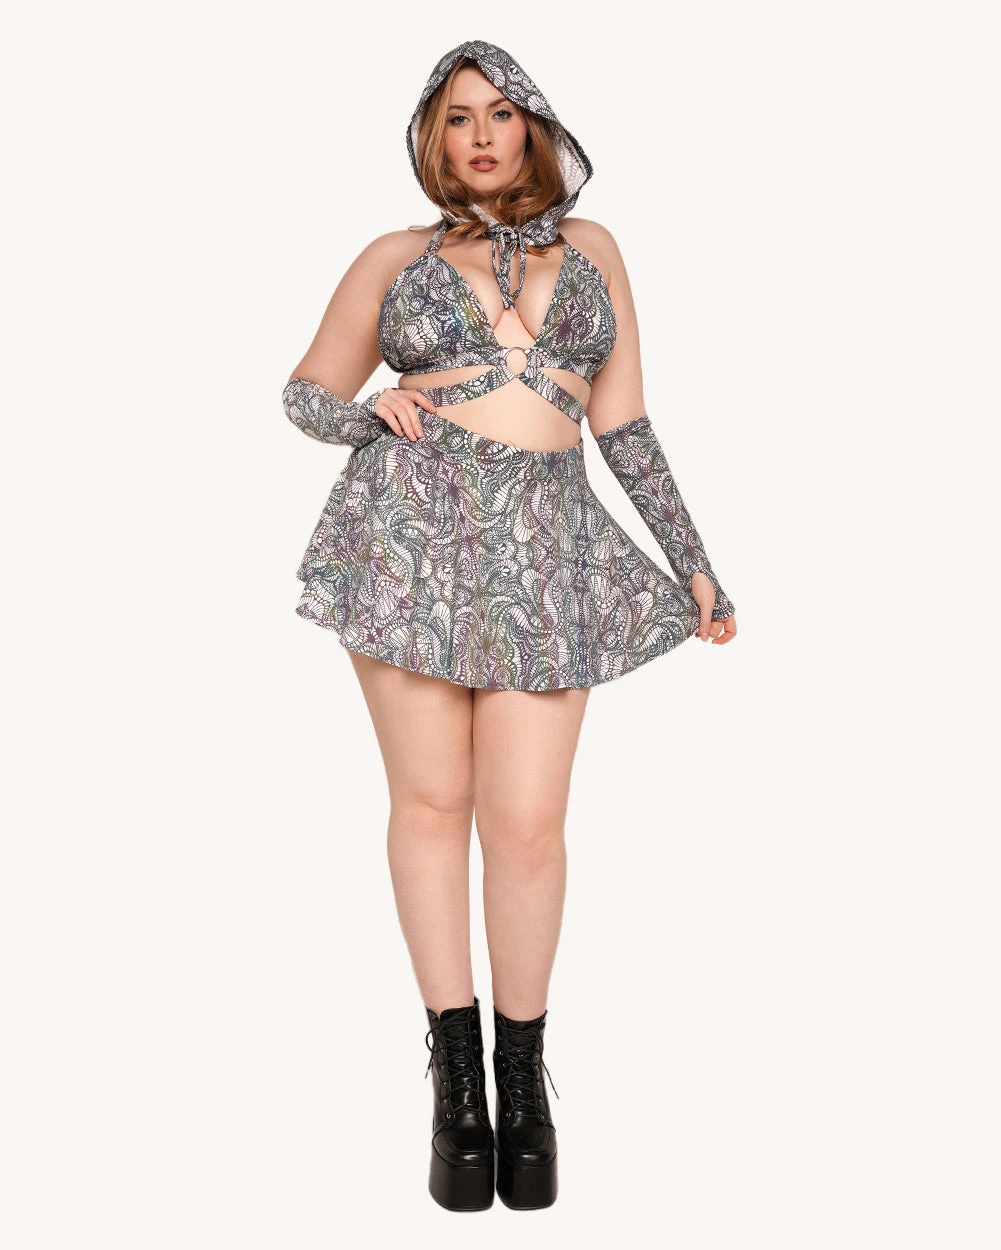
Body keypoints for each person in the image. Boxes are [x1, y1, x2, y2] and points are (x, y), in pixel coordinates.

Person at [282, 39, 738, 1212]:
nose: (479, 134)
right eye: (455, 117)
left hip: (548, 543)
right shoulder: (393, 256)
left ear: (534, 126)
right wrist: (373, 408)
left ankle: (522, 1079)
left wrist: (690, 559)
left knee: (526, 825)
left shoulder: (593, 249)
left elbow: (622, 420)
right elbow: (305, 390)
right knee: (430, 804)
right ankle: (454, 1084)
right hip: (408, 536)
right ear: (430, 139)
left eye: (499, 113)